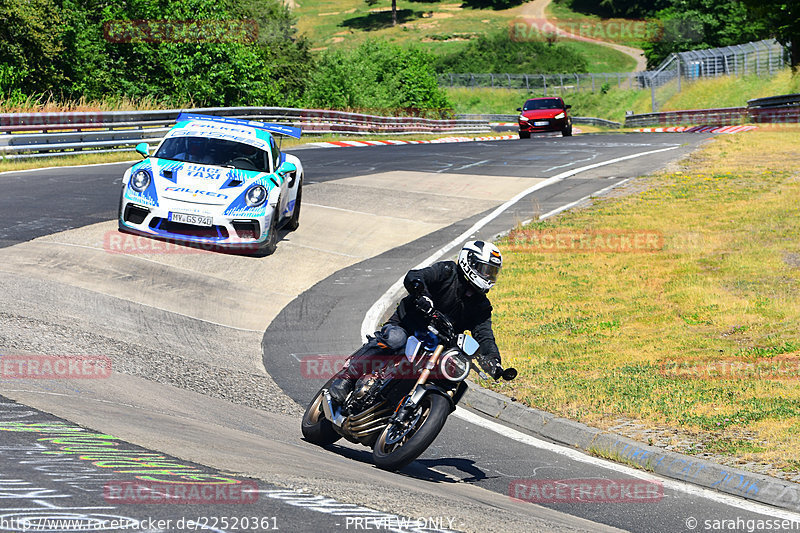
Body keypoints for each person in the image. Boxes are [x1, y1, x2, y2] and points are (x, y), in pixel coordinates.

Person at [329, 240, 510, 403]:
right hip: (409, 326)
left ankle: (413, 417)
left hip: (439, 346)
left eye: (492, 272)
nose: (488, 276)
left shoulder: (481, 305)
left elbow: (485, 334)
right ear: (468, 261)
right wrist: (421, 294)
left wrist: (493, 360)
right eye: (484, 269)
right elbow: (416, 276)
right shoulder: (447, 272)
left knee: (453, 376)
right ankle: (348, 377)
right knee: (395, 340)